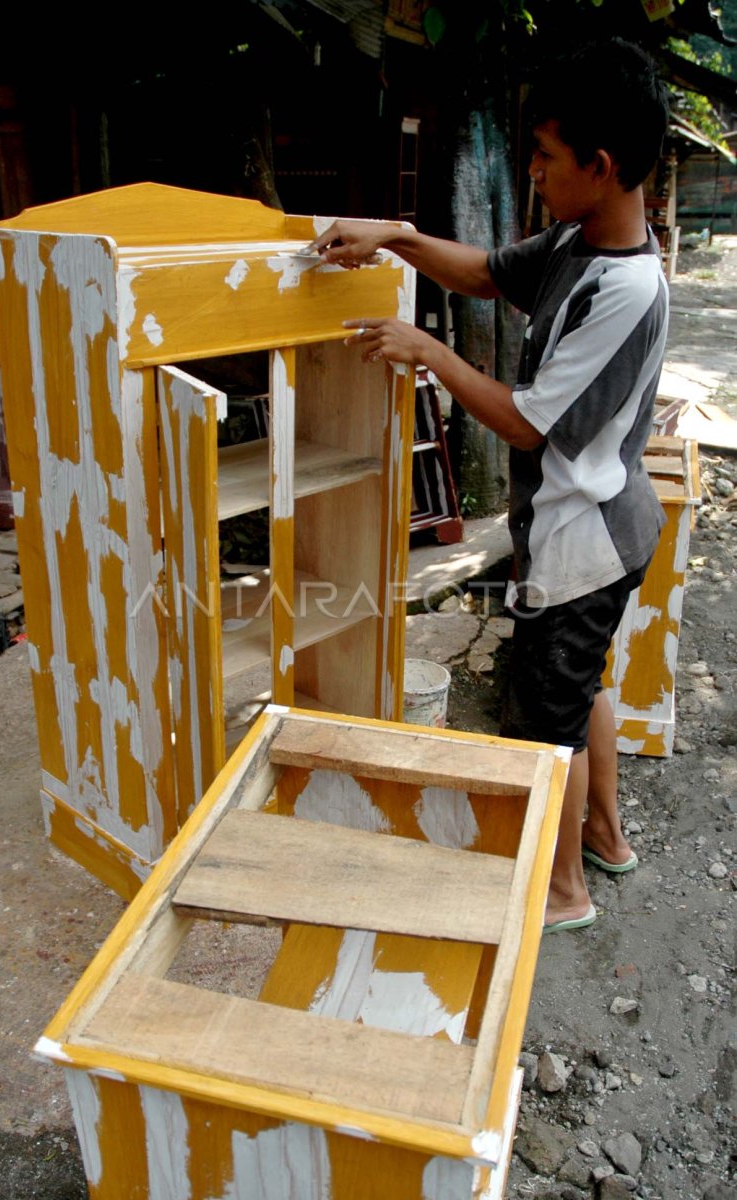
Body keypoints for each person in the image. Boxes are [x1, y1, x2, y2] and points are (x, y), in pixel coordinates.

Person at [306, 38, 670, 932]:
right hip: (599, 524)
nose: (533, 173)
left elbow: (527, 420)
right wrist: (396, 234)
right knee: (577, 685)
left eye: (545, 157)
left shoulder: (624, 287)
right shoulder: (582, 239)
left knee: (542, 721)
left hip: (583, 540)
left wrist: (428, 352)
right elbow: (486, 273)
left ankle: (561, 894)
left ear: (602, 165)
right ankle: (607, 840)